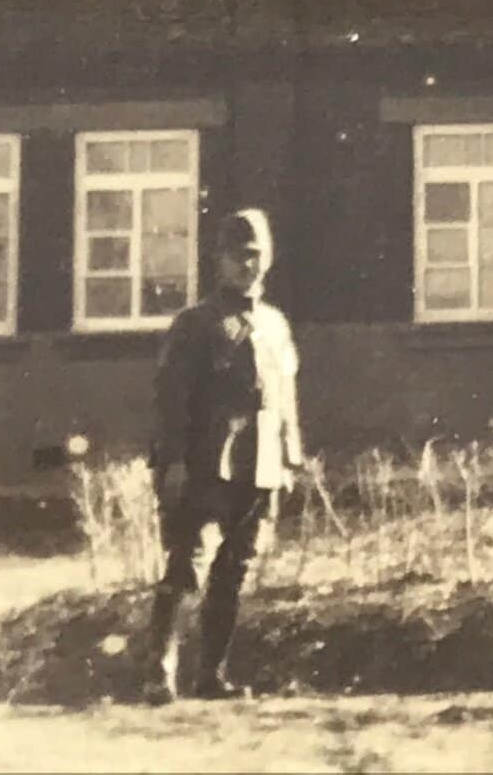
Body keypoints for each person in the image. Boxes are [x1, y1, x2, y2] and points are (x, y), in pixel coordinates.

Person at [142, 208, 304, 704]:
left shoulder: (275, 325)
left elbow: (285, 393)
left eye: (256, 256)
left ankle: (210, 676)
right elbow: (172, 398)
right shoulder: (195, 324)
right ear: (219, 262)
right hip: (207, 466)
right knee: (188, 565)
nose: (247, 266)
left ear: (268, 261)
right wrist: (170, 462)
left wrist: (291, 455)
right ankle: (159, 674)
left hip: (261, 467)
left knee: (234, 572)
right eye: (238, 257)